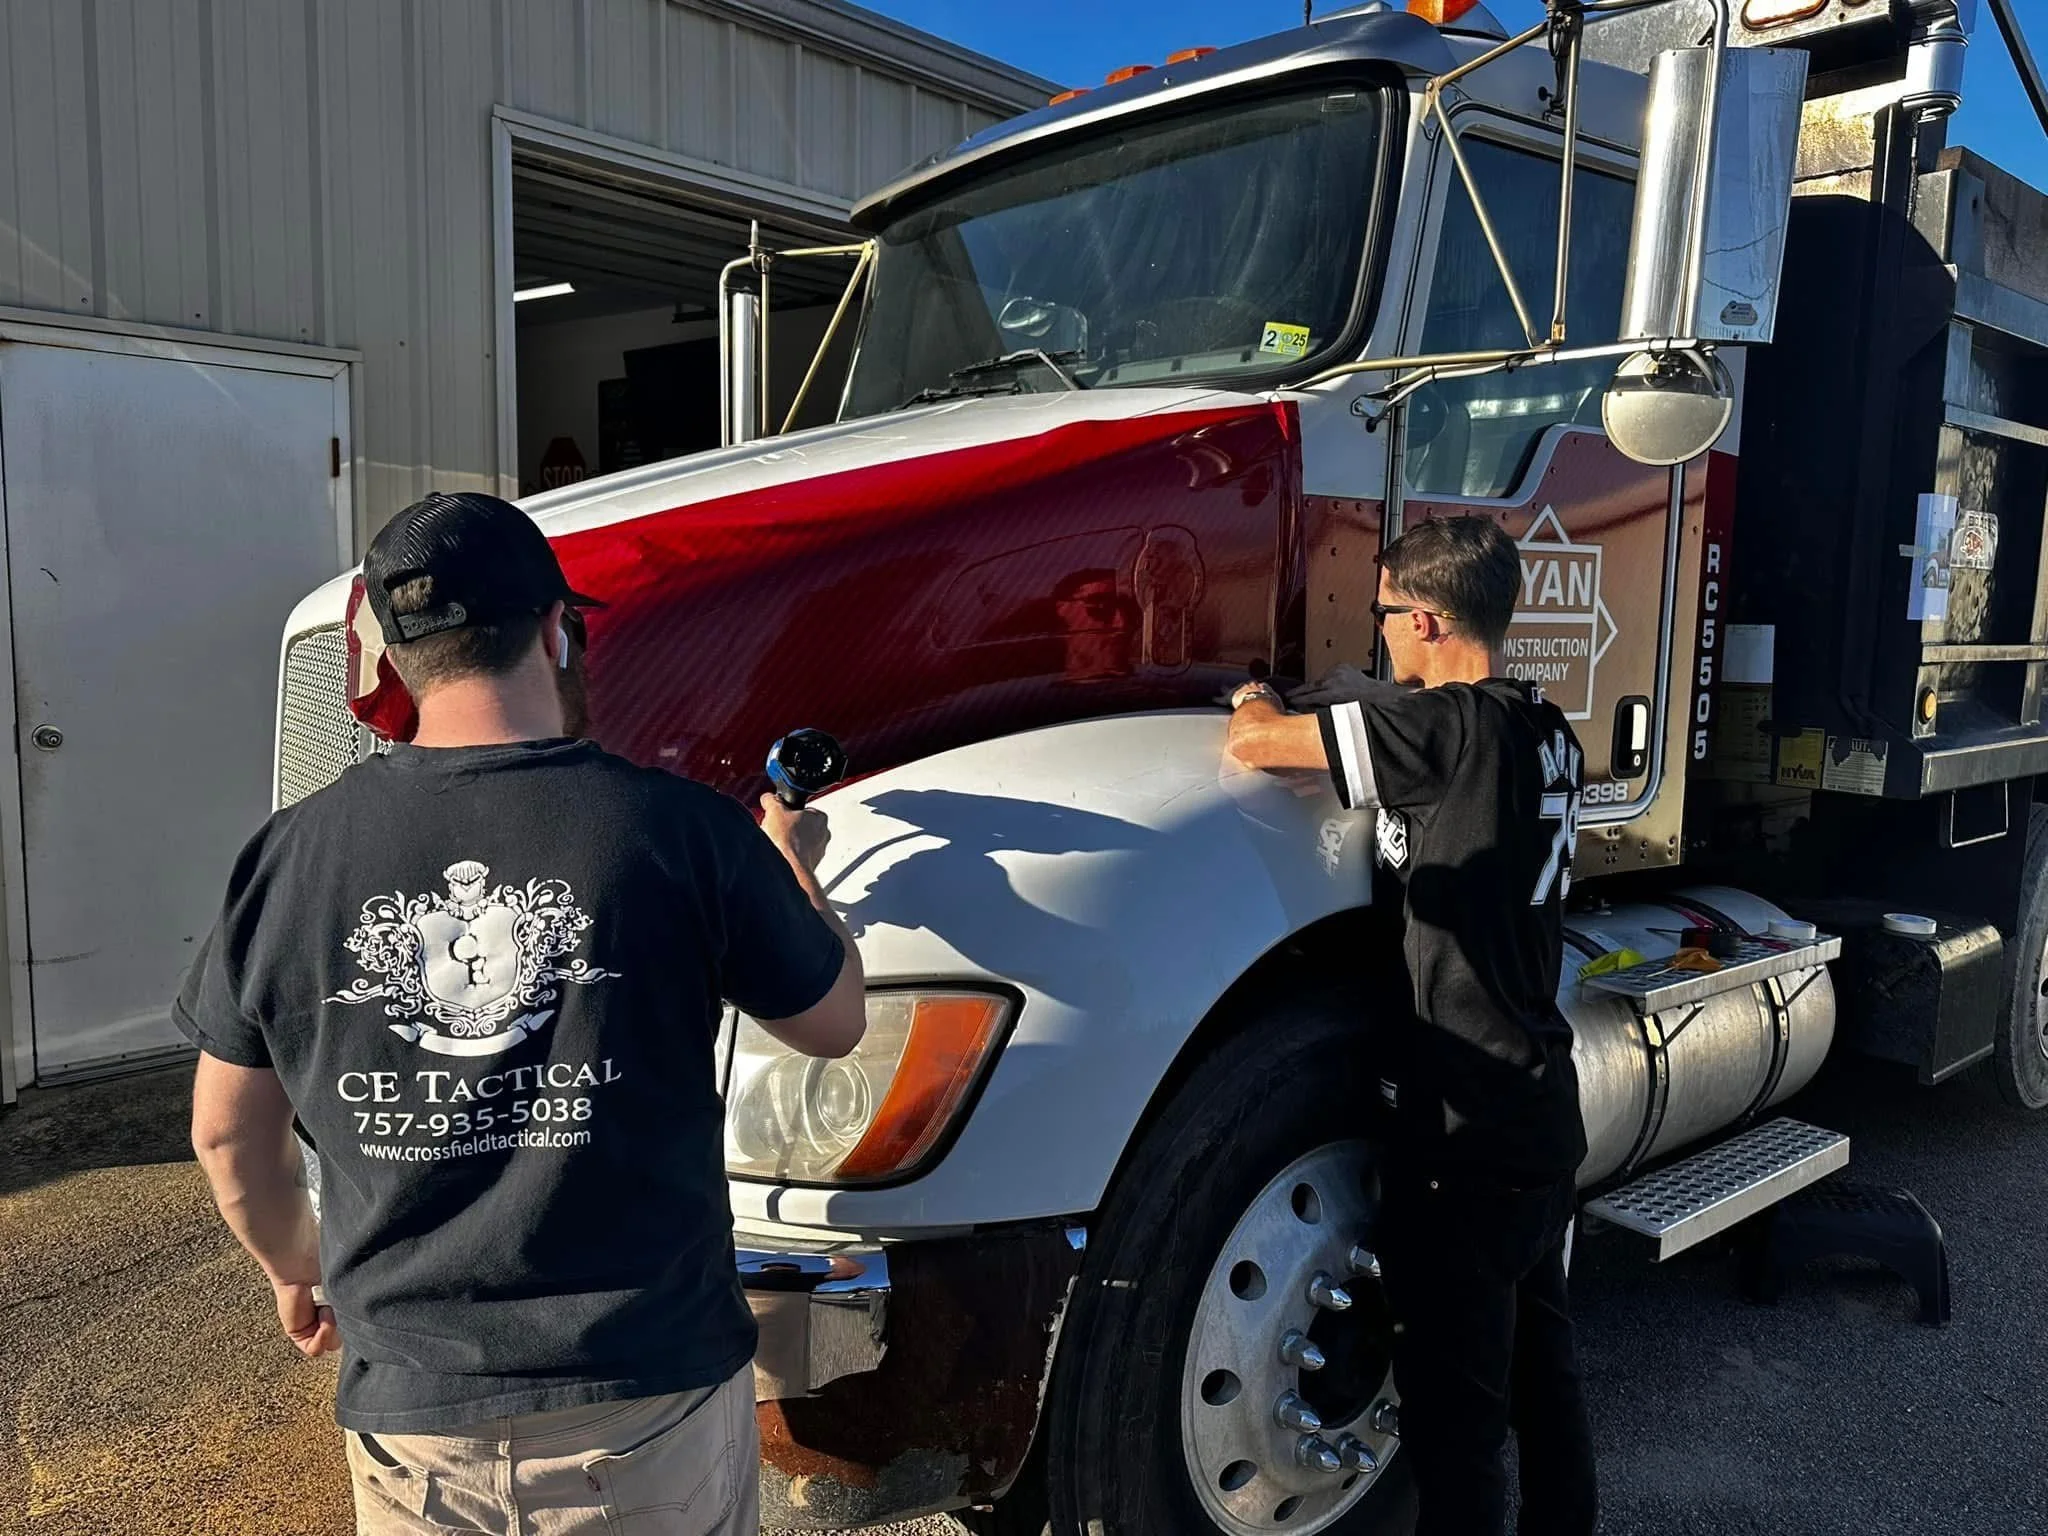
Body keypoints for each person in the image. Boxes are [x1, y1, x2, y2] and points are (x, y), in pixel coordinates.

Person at [177, 490, 867, 1535]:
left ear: (390, 662)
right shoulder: (681, 833)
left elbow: (226, 1132)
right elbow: (832, 1023)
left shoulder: (288, 858)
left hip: (414, 1422)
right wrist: (789, 869)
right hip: (648, 1397)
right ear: (555, 629)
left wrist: (298, 1266)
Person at [1223, 514, 1597, 1536]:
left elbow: (1257, 745)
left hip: (1461, 1133)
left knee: (1452, 1432)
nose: (1377, 632)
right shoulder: (1539, 728)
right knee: (1541, 1380)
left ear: (1425, 617)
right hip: (1536, 1105)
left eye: (1384, 614)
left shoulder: (1443, 731)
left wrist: (1252, 692)